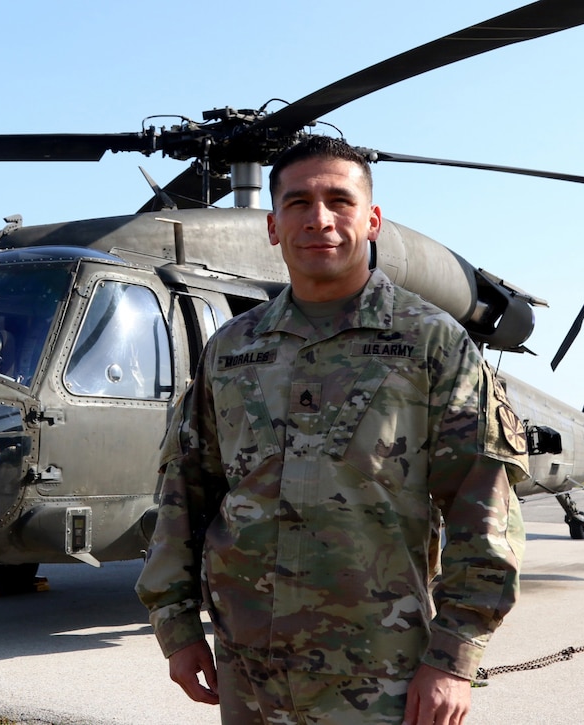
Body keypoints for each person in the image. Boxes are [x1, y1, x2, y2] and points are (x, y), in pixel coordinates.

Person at [135, 135, 528, 725]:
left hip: (378, 670)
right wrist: (176, 622)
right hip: (248, 667)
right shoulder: (233, 349)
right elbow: (185, 490)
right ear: (272, 226)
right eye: (298, 203)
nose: (319, 219)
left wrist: (453, 657)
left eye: (339, 200)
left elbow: (482, 506)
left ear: (372, 221)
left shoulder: (431, 342)